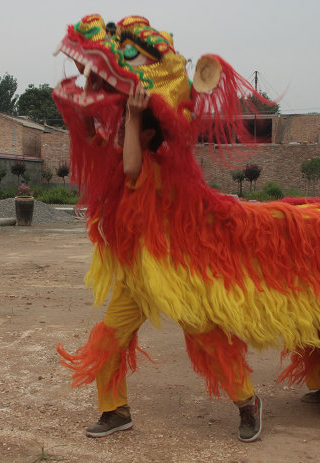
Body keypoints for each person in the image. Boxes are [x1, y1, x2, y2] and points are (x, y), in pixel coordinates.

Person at [58, 87, 262, 442]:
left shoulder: (157, 168)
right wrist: (87, 92)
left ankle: (248, 402)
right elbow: (90, 136)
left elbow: (132, 165)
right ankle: (115, 411)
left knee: (208, 339)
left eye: (128, 126)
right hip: (135, 278)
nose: (119, 131)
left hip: (173, 276)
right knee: (109, 340)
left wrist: (135, 114)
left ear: (148, 134)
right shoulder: (120, 157)